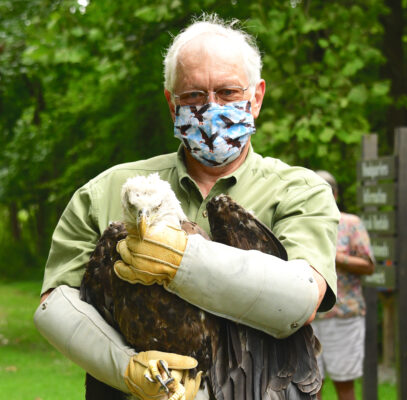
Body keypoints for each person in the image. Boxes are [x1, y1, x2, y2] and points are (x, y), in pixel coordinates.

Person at [34, 14, 340, 400]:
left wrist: (182, 261)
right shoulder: (108, 191)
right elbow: (55, 303)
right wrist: (127, 370)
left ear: (256, 97)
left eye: (228, 92)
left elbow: (300, 300)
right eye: (194, 95)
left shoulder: (299, 190)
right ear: (170, 102)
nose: (211, 108)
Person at [311, 170, 375, 400]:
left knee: (344, 383)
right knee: (309, 385)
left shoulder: (350, 224)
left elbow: (369, 265)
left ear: (335, 194)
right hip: (307, 317)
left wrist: (337, 258)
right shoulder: (300, 223)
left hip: (344, 316)